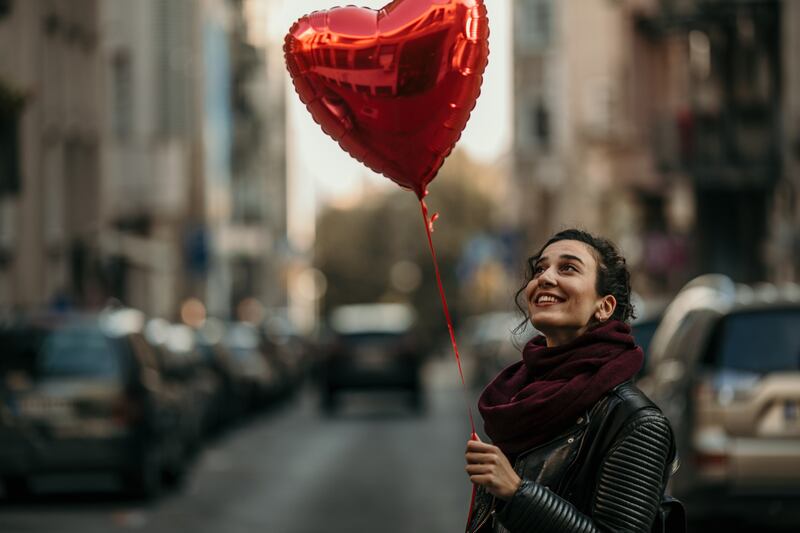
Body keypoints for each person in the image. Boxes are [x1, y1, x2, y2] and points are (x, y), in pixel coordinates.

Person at [465, 229, 677, 533]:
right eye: (540, 268)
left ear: (604, 307)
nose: (545, 278)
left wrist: (517, 493)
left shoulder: (635, 421)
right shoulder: (518, 397)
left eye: (568, 268)